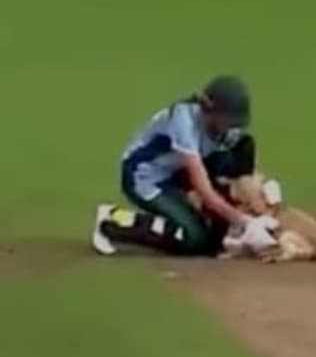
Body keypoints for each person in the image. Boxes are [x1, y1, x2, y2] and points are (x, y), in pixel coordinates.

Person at [91, 76, 277, 257]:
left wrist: (261, 185)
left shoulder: (221, 126)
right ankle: (113, 221)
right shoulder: (183, 122)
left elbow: (243, 151)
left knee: (240, 150)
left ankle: (229, 222)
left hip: (176, 171)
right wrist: (245, 222)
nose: (231, 126)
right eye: (228, 119)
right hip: (145, 177)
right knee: (194, 239)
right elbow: (202, 187)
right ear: (211, 110)